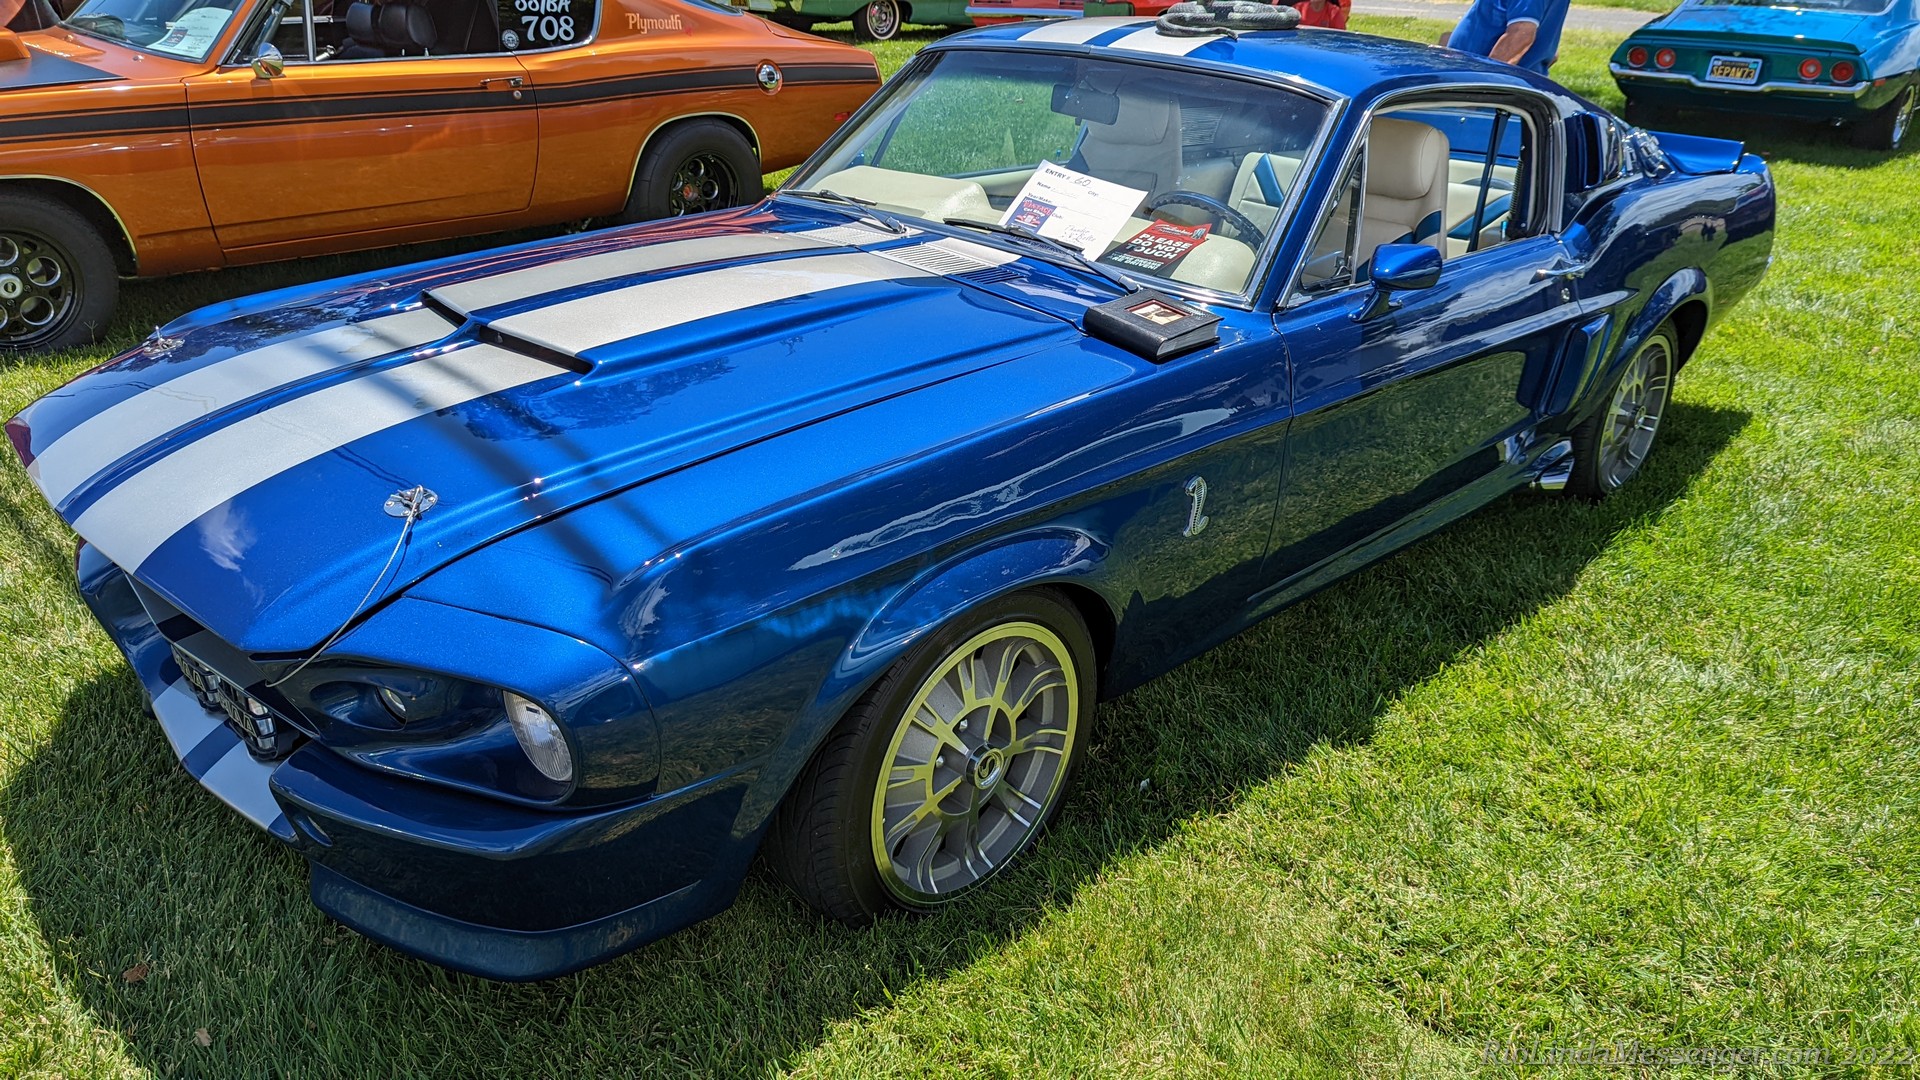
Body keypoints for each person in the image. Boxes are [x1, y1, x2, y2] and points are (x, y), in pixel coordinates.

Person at [1439, 0, 1569, 75]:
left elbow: (1520, 34)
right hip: (1473, 80)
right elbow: (1550, 51)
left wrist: (1483, 83)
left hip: (1486, 94)